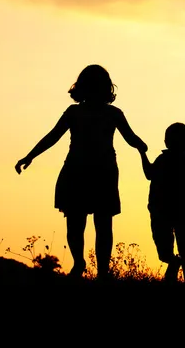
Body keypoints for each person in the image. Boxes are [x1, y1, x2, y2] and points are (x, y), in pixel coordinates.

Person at [15, 64, 147, 280]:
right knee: (83, 222)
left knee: (96, 223)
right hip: (81, 171)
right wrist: (30, 156)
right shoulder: (77, 112)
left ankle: (99, 270)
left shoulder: (111, 114)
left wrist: (141, 146)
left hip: (97, 172)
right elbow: (53, 136)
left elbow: (131, 138)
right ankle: (82, 264)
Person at [139, 122, 185, 284]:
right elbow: (150, 174)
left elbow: (149, 174)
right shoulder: (164, 160)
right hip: (161, 211)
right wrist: (142, 154)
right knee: (167, 250)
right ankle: (175, 263)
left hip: (179, 211)